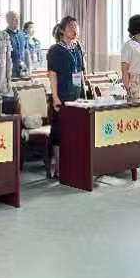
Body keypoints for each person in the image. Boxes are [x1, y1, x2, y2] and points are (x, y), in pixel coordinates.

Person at [47, 16, 86, 177]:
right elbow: (52, 75)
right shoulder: (55, 50)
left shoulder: (77, 47)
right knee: (59, 133)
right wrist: (55, 97)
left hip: (77, 95)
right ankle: (58, 168)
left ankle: (73, 166)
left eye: (76, 27)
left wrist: (84, 93)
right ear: (62, 30)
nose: (75, 30)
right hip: (62, 96)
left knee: (75, 131)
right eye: (71, 27)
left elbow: (81, 72)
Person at [6, 11, 31, 78]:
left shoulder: (23, 34)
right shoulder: (3, 35)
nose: (17, 21)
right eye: (14, 19)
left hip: (23, 71)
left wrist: (29, 70)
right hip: (10, 72)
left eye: (18, 19)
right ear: (8, 20)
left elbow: (27, 52)